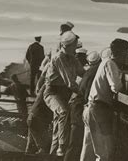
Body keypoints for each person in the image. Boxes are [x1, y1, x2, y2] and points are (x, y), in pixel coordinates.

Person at [82, 39, 128, 161]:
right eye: (126, 54)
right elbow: (116, 87)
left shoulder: (104, 62)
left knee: (88, 153)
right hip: (98, 111)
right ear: (122, 53)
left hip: (90, 109)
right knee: (104, 154)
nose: (126, 57)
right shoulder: (110, 64)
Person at [44, 26, 84, 156]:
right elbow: (70, 82)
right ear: (68, 46)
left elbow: (84, 73)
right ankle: (61, 148)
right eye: (74, 46)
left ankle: (53, 155)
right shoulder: (58, 58)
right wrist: (84, 93)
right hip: (52, 93)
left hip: (63, 94)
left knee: (58, 128)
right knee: (63, 111)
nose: (76, 48)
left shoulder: (72, 58)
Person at [66, 51, 102, 161]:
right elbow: (87, 96)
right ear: (99, 61)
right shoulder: (94, 73)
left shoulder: (88, 72)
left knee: (75, 144)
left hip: (75, 109)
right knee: (75, 144)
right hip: (78, 112)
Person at [25, 61, 53, 154]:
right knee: (43, 149)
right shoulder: (51, 86)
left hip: (32, 118)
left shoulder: (44, 85)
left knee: (30, 150)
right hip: (37, 120)